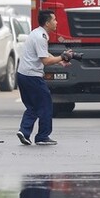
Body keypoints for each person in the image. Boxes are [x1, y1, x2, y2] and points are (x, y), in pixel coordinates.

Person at [16, 9, 75, 147]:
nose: (56, 22)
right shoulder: (41, 36)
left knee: (32, 106)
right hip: (32, 76)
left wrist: (59, 61)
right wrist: (62, 57)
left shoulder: (37, 33)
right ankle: (42, 136)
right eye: (54, 20)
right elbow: (46, 61)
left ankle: (24, 132)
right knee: (46, 104)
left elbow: (43, 53)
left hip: (22, 74)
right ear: (47, 23)